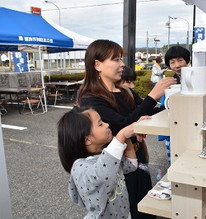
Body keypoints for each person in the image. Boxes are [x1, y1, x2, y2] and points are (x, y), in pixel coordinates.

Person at [78, 39, 176, 219]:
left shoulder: (126, 92)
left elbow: (148, 112)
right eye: (116, 59)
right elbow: (122, 124)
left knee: (144, 206)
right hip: (114, 165)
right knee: (127, 209)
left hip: (138, 156)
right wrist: (153, 95)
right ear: (98, 65)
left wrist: (175, 101)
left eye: (121, 59)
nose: (122, 64)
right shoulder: (90, 98)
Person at [58, 106, 149, 218]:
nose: (107, 124)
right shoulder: (80, 167)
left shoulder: (105, 156)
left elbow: (131, 166)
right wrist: (121, 135)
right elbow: (102, 175)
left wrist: (128, 139)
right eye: (100, 124)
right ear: (87, 140)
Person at [159, 46, 191, 164]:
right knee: (173, 158)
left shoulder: (197, 77)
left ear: (187, 60)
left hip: (191, 125)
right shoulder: (171, 82)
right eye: (172, 62)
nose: (176, 65)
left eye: (180, 60)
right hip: (173, 127)